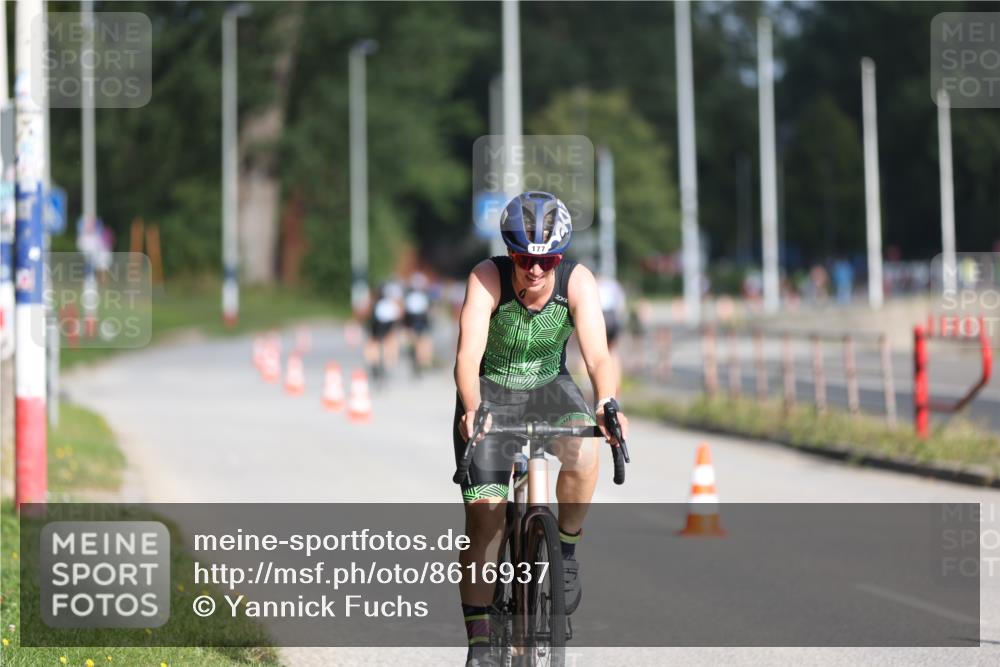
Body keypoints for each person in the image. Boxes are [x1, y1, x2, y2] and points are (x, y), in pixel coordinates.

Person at [453, 191, 629, 666]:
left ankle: (565, 551)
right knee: (485, 519)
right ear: (508, 252)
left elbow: (596, 354)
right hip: (489, 391)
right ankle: (481, 641)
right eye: (523, 258)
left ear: (561, 256)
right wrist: (472, 406)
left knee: (583, 452)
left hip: (550, 388)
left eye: (547, 260)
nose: (535, 270)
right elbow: (468, 356)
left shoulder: (578, 282)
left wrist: (607, 403)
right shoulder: (486, 279)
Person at [364, 282, 402, 382]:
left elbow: (368, 315)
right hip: (388, 325)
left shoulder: (374, 302)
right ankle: (389, 362)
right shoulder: (391, 303)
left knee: (373, 343)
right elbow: (397, 317)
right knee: (391, 341)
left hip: (377, 326)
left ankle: (373, 362)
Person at [403, 271, 433, 375]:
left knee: (416, 338)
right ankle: (423, 360)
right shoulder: (424, 295)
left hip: (413, 317)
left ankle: (416, 355)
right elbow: (428, 309)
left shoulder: (409, 295)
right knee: (423, 339)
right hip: (420, 317)